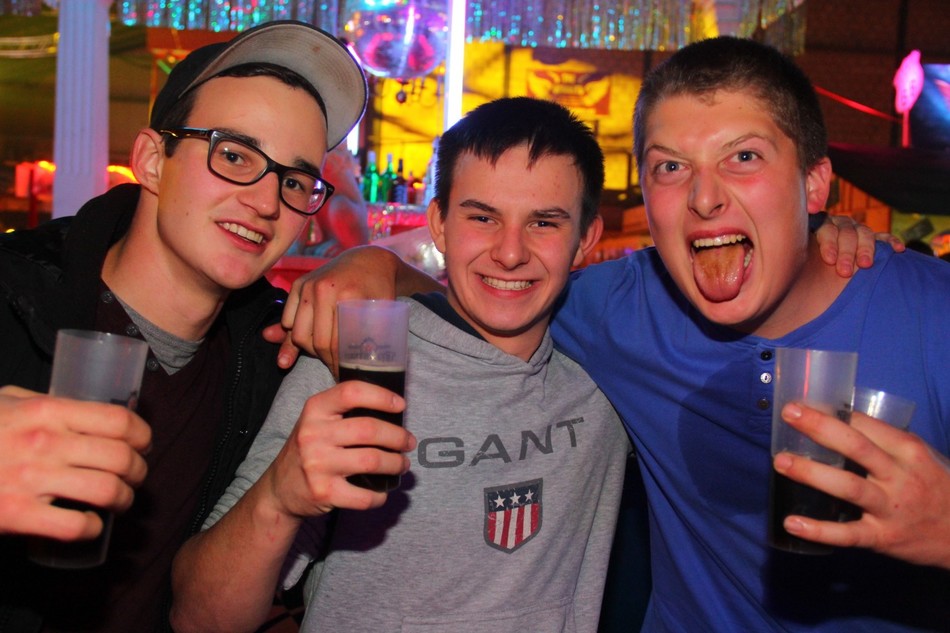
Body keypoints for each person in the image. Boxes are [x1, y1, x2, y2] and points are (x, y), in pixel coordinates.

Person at [274, 37, 950, 631]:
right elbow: (494, 284)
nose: (705, 197)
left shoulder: (932, 316)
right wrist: (374, 263)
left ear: (814, 184)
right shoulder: (617, 309)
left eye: (743, 156)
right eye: (670, 166)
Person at [170, 97, 634, 633]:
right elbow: (198, 618)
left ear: (585, 239)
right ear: (439, 224)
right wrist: (279, 496)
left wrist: (379, 261)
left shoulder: (613, 369)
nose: (510, 253)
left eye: (544, 223)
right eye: (482, 217)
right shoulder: (363, 357)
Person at [0, 20, 367, 632]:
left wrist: (375, 263)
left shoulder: (268, 358)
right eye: (234, 155)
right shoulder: (16, 298)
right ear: (152, 161)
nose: (266, 202)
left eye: (294, 181)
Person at [289, 144, 370, 258]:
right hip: (332, 213)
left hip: (351, 234)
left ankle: (342, 245)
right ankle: (328, 241)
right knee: (315, 198)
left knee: (337, 205)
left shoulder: (328, 149)